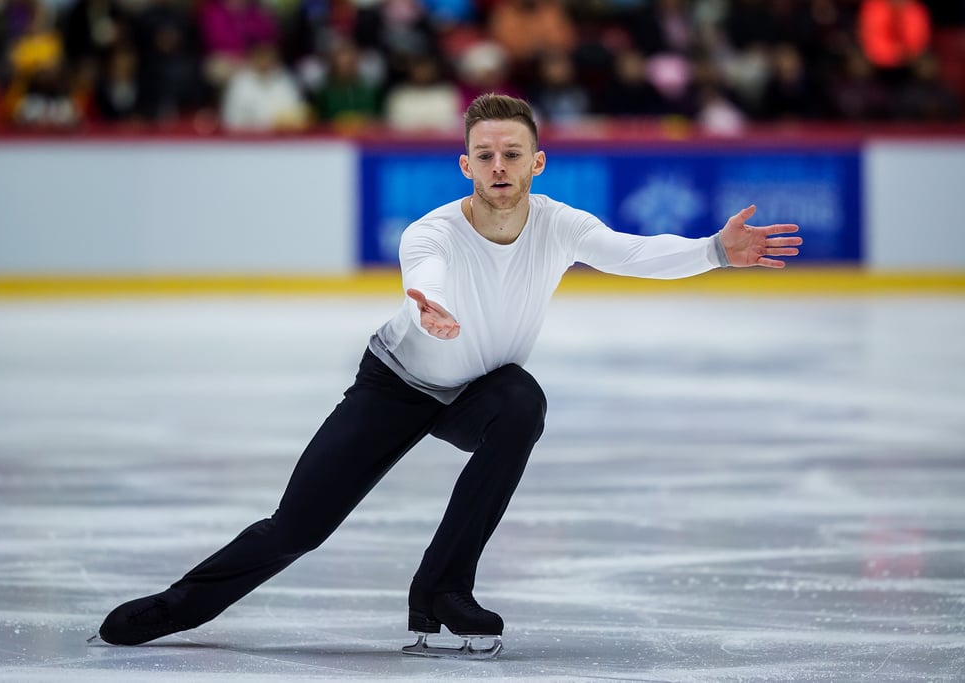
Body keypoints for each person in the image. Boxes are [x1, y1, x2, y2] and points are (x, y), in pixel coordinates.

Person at [94, 93, 801, 659]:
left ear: (537, 163)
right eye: (485, 154)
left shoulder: (560, 225)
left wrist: (712, 250)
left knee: (522, 402)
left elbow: (631, 252)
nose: (499, 165)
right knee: (296, 528)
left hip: (479, 391)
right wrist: (424, 304)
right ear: (466, 165)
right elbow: (422, 271)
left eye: (512, 154)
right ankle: (171, 609)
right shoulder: (431, 232)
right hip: (396, 384)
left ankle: (442, 589)